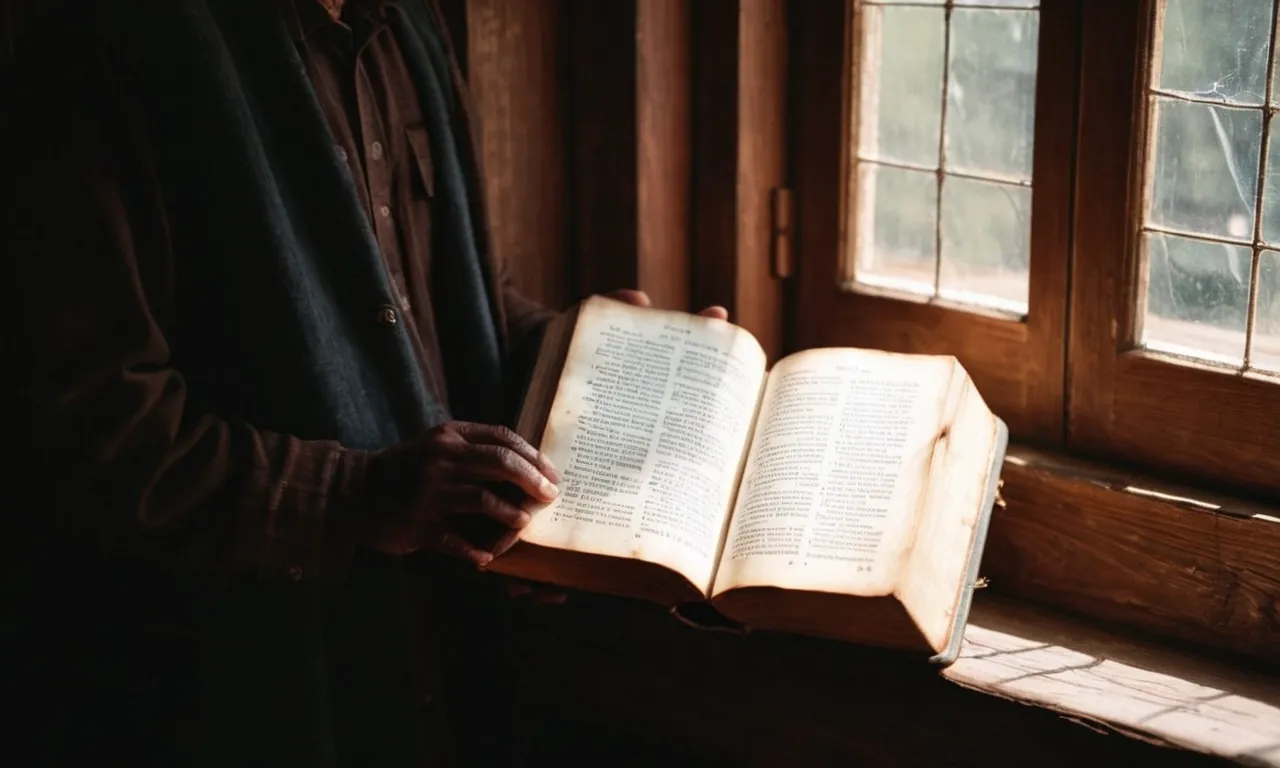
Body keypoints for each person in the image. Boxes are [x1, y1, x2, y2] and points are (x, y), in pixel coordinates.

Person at [5, 0, 725, 765]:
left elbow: (447, 299)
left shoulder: (407, 27)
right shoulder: (110, 47)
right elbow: (101, 439)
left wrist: (589, 359)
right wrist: (355, 495)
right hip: (249, 693)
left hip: (438, 666)